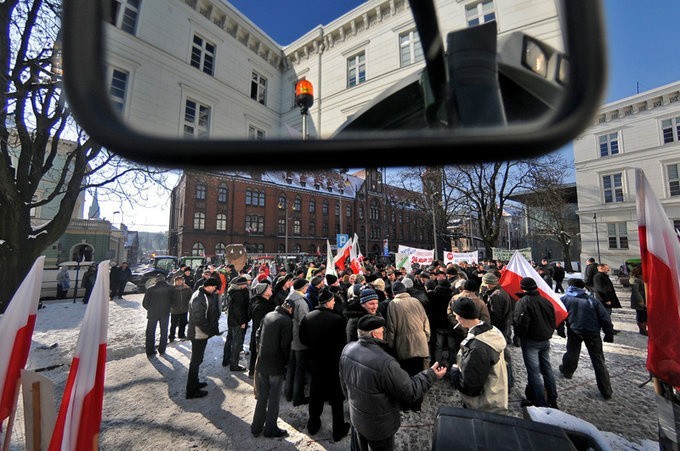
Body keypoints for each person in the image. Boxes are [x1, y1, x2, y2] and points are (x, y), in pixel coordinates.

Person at [339, 315, 447, 451]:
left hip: (357, 418)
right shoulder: (385, 362)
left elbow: (344, 386)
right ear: (375, 333)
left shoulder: (347, 350)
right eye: (382, 329)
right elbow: (410, 391)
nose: (384, 332)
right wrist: (431, 374)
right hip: (380, 428)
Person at [299, 288, 351, 442]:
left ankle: (313, 424)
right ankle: (338, 430)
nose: (334, 302)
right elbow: (343, 343)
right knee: (336, 398)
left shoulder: (308, 317)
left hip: (316, 363)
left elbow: (303, 339)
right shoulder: (337, 320)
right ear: (328, 302)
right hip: (333, 364)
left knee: (316, 394)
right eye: (333, 300)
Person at [448, 297, 508, 414]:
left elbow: (470, 386)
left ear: (460, 317)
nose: (455, 318)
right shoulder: (490, 331)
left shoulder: (476, 347)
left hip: (484, 405)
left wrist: (454, 371)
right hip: (496, 395)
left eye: (455, 315)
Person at [558, 278, 614, 400]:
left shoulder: (564, 299)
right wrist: (608, 332)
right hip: (592, 333)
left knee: (572, 352)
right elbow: (605, 318)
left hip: (574, 331)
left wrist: (560, 329)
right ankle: (606, 390)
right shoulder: (592, 300)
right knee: (598, 360)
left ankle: (567, 371)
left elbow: (559, 315)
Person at [250, 297, 295, 438]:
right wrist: (286, 363)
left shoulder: (268, 315)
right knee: (274, 398)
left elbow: (257, 334)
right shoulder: (287, 321)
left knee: (262, 396)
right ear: (291, 309)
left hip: (263, 361)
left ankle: (256, 426)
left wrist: (260, 351)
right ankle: (270, 428)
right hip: (276, 365)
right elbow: (285, 346)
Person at [384, 280, 431, 412]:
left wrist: (391, 344)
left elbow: (391, 328)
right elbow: (425, 320)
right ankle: (417, 405)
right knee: (419, 375)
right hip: (420, 343)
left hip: (404, 346)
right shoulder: (416, 301)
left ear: (394, 293)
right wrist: (426, 337)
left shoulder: (393, 304)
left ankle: (405, 405)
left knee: (405, 377)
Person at [513, 277, 558, 408]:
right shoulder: (546, 301)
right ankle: (552, 397)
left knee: (534, 373)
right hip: (545, 338)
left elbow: (521, 324)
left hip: (531, 340)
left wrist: (519, 336)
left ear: (522, 288)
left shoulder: (523, 302)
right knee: (547, 370)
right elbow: (552, 318)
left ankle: (539, 402)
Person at [186, 277, 221, 399]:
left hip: (201, 333)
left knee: (198, 360)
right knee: (195, 362)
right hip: (197, 334)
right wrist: (209, 330)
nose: (215, 291)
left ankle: (195, 383)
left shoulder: (204, 294)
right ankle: (191, 391)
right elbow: (199, 318)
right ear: (210, 286)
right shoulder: (199, 297)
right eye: (215, 288)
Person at [480, 271, 515, 389]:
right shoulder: (498, 292)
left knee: (503, 356)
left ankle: (508, 382)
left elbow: (495, 315)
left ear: (489, 283)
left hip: (498, 329)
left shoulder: (496, 295)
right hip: (501, 328)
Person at [285, 277, 311, 406]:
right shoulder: (302, 302)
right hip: (299, 340)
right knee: (300, 370)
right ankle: (298, 397)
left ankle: (288, 394)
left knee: (291, 367)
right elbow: (304, 322)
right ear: (303, 288)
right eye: (306, 286)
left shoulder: (289, 298)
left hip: (290, 337)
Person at [248, 281, 276, 378]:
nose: (271, 289)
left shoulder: (264, 301)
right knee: (257, 354)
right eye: (268, 288)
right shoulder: (260, 306)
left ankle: (254, 372)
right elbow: (260, 324)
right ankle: (255, 373)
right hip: (262, 334)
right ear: (263, 292)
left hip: (262, 333)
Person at [223, 276, 250, 371]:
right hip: (237, 322)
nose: (247, 285)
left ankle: (226, 360)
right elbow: (238, 310)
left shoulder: (233, 291)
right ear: (241, 285)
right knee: (236, 343)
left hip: (231, 320)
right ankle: (234, 364)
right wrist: (242, 322)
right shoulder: (238, 294)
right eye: (245, 284)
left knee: (229, 340)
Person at [142, 275, 174, 357]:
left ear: (156, 280)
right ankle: (162, 350)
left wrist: (151, 309)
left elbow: (145, 303)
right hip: (165, 313)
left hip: (153, 314)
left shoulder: (150, 289)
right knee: (164, 331)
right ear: (164, 280)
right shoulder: (171, 288)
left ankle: (150, 351)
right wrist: (169, 308)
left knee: (150, 332)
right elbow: (174, 301)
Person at [169, 275, 192, 342]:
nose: (179, 282)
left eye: (181, 280)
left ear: (183, 281)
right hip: (174, 310)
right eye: (177, 281)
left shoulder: (187, 288)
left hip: (184, 309)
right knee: (173, 324)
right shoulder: (172, 289)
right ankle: (171, 336)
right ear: (175, 282)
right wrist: (172, 306)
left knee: (183, 323)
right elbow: (168, 299)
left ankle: (181, 335)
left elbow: (191, 297)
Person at [629, 265, 647, 336]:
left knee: (644, 315)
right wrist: (641, 301)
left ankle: (644, 328)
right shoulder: (636, 280)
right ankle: (642, 330)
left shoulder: (640, 278)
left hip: (643, 300)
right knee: (641, 315)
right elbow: (636, 291)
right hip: (639, 301)